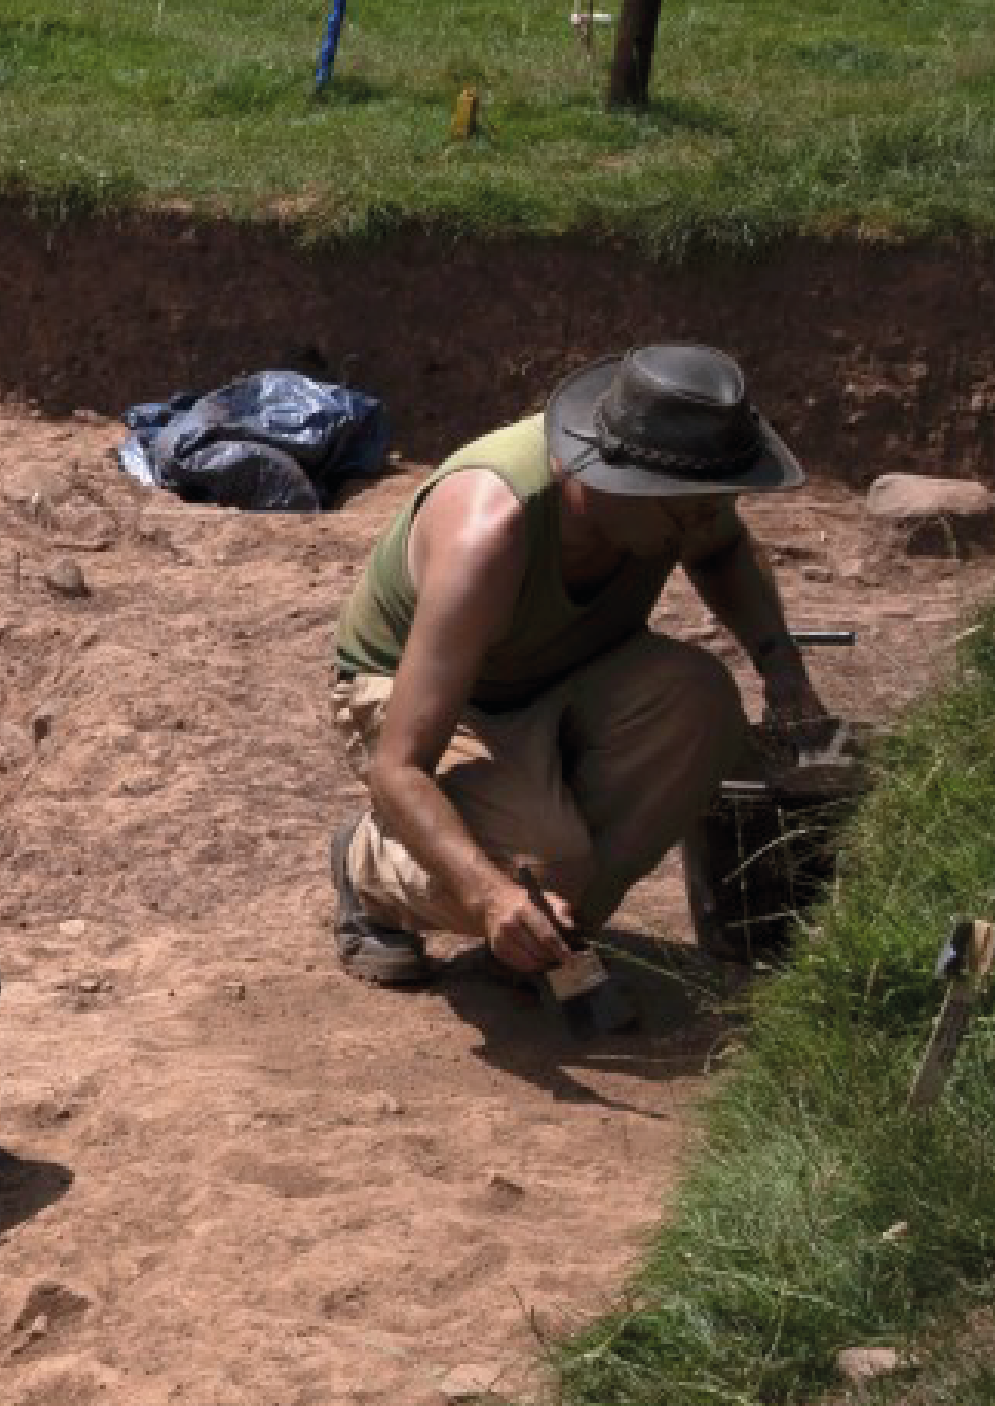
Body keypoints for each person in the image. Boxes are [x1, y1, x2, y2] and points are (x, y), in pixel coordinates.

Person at [329, 343, 839, 1036]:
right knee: (547, 859)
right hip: (430, 700)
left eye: (709, 506)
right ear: (596, 475)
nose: (697, 525)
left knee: (701, 703)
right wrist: (486, 893)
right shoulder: (490, 533)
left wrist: (784, 671)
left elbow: (721, 550)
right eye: (680, 515)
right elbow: (400, 764)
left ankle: (544, 935)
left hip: (567, 669)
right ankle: (369, 867)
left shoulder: (677, 491)